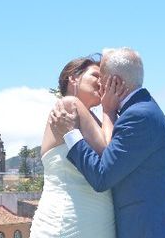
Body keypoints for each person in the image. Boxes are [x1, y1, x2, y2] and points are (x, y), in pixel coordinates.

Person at [51, 47, 165, 238]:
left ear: (115, 81)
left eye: (102, 78)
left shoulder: (137, 116)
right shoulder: (141, 110)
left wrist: (71, 133)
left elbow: (102, 176)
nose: (99, 84)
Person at [30, 54, 128, 238]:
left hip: (92, 223)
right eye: (95, 76)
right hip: (70, 222)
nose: (102, 83)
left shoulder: (94, 119)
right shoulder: (69, 105)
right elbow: (109, 155)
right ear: (73, 78)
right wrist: (109, 110)